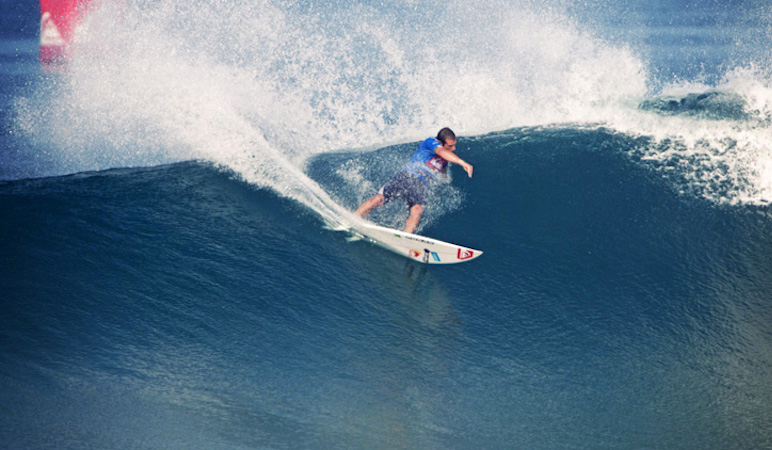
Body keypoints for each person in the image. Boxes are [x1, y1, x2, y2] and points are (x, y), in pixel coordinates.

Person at [354, 127, 473, 234]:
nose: (454, 148)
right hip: (407, 176)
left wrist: (444, 177)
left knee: (417, 210)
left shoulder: (444, 161)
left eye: (454, 145)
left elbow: (442, 171)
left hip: (420, 186)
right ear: (440, 142)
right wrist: (462, 162)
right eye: (450, 146)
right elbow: (441, 151)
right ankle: (354, 219)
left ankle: (406, 238)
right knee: (378, 199)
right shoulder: (430, 142)